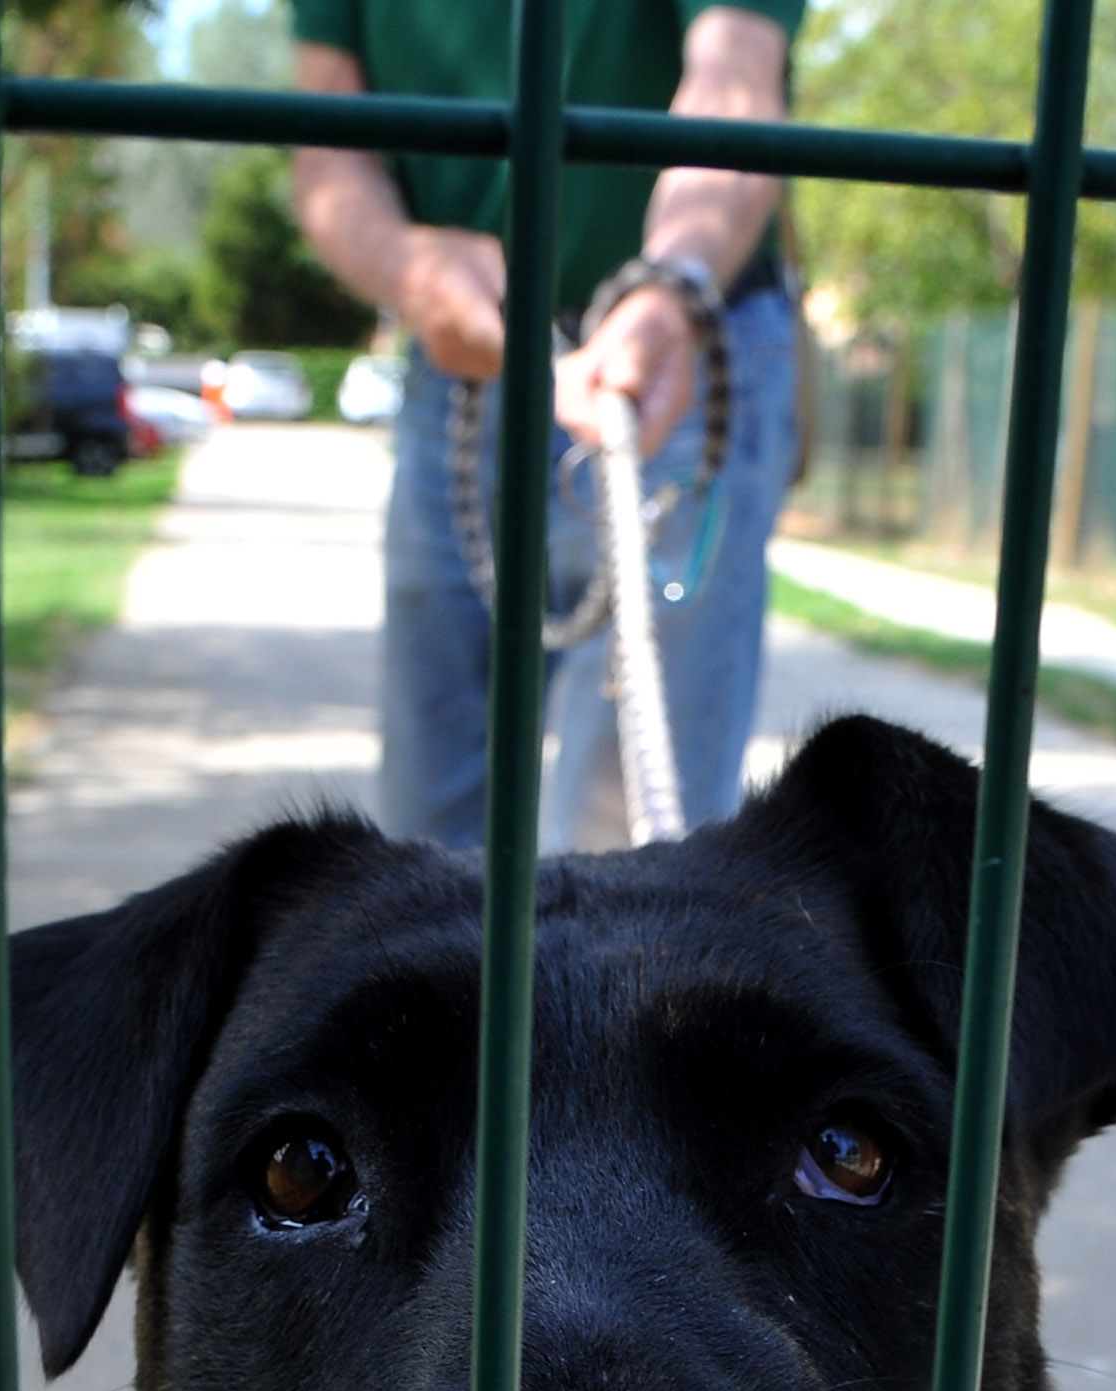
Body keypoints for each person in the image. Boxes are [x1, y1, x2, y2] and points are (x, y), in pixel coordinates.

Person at [288, 0, 802, 853]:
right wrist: (407, 267)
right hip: (455, 357)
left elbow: (734, 78)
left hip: (681, 350)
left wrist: (668, 284)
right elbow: (330, 150)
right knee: (428, 824)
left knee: (639, 839)